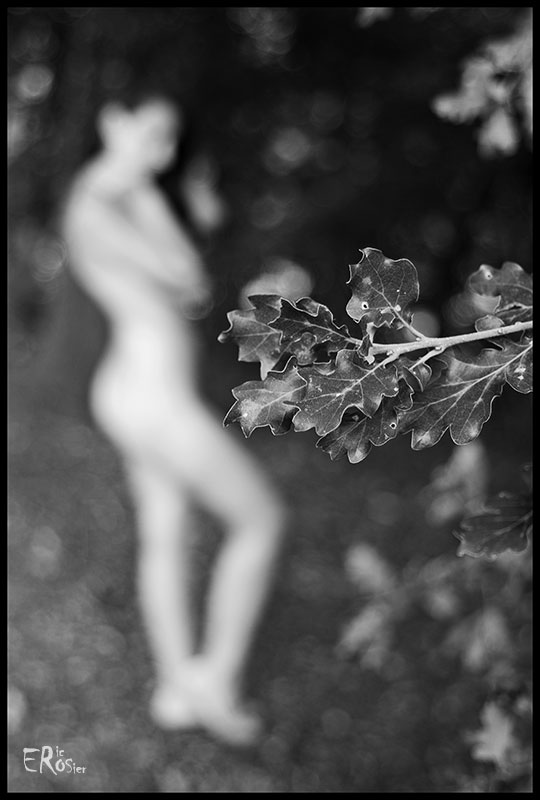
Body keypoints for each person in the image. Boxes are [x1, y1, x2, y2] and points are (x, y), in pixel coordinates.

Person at [61, 88, 286, 746]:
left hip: (139, 391)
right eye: (152, 134)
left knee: (166, 530)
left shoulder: (121, 197)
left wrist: (161, 193)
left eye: (169, 143)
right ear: (113, 121)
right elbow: (189, 277)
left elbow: (187, 276)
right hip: (149, 397)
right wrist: (156, 195)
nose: (160, 154)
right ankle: (215, 680)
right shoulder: (99, 203)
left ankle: (175, 689)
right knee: (261, 520)